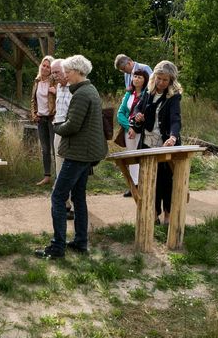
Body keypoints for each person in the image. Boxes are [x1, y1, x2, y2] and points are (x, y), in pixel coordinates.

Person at [35, 55, 108, 259]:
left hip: (77, 153)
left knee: (58, 197)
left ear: (76, 71)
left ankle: (58, 247)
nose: (65, 75)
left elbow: (72, 125)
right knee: (78, 197)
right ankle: (80, 242)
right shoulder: (89, 90)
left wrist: (56, 127)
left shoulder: (82, 94)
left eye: (67, 71)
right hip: (86, 153)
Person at [131, 60, 182, 225]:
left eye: (165, 80)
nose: (161, 82)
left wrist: (173, 137)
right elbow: (138, 108)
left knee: (166, 180)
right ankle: (154, 213)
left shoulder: (174, 96)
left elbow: (175, 119)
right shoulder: (148, 92)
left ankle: (168, 214)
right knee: (149, 180)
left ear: (171, 81)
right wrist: (137, 115)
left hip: (165, 143)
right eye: (159, 78)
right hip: (147, 143)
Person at [116, 69, 150, 197]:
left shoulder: (147, 95)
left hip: (143, 131)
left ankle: (144, 184)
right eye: (135, 76)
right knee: (131, 157)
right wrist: (128, 127)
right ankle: (133, 185)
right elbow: (120, 113)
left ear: (145, 80)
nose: (136, 79)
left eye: (140, 77)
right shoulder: (128, 95)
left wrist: (136, 128)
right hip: (128, 131)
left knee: (143, 157)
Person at [50, 58, 74, 220]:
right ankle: (64, 203)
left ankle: (73, 203)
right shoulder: (59, 86)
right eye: (53, 73)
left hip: (72, 133)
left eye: (57, 72)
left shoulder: (76, 88)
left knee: (71, 169)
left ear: (66, 71)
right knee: (59, 167)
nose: (55, 76)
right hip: (58, 131)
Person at [31, 55, 57, 186]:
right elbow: (33, 100)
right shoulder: (37, 81)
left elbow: (63, 97)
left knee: (55, 148)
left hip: (52, 119)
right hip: (41, 119)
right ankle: (47, 176)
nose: (45, 68)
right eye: (44, 65)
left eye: (48, 66)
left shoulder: (55, 82)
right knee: (45, 149)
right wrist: (34, 114)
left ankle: (59, 177)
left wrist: (55, 91)